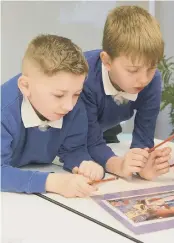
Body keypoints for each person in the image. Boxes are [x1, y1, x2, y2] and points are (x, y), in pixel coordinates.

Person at [1, 34, 103, 197]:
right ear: (25, 86)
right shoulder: (3, 111)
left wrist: (85, 164)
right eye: (58, 95)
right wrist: (51, 182)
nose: (69, 105)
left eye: (77, 93)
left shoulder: (74, 106)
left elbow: (74, 149)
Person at [81, 6, 171, 181]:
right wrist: (119, 166)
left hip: (106, 128)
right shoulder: (83, 78)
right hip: (69, 135)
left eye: (152, 67)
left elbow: (144, 137)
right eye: (132, 70)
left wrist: (143, 163)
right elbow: (89, 141)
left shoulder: (152, 79)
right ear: (107, 61)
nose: (144, 79)